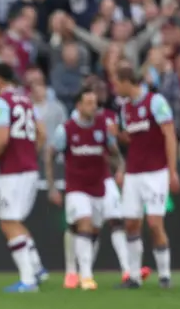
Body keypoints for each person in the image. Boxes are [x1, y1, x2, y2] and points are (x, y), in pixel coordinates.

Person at [60, 78, 151, 288]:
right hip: (78, 182)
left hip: (103, 179)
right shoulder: (71, 124)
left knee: (116, 220)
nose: (96, 101)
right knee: (80, 225)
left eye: (98, 95)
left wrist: (119, 167)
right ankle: (74, 272)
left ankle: (127, 270)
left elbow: (112, 150)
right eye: (91, 98)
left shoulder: (107, 119)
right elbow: (57, 151)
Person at [45, 88, 125, 290]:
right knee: (85, 223)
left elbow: (114, 152)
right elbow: (49, 155)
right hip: (77, 187)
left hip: (98, 187)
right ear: (79, 106)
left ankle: (76, 271)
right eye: (89, 103)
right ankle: (86, 276)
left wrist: (121, 169)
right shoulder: (66, 129)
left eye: (95, 103)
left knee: (90, 231)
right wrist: (52, 186)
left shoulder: (103, 127)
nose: (94, 107)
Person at [0, 63, 47, 293]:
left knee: (8, 222)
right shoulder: (26, 99)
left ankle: (28, 280)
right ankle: (37, 268)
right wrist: (30, 153)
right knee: (15, 220)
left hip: (13, 170)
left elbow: (1, 138)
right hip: (29, 167)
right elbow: (42, 133)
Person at [113, 66, 180, 289]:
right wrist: (118, 136)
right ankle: (134, 276)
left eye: (117, 83)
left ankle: (164, 275)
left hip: (155, 172)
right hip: (134, 173)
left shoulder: (155, 101)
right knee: (131, 224)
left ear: (126, 82)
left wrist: (172, 171)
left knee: (154, 223)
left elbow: (169, 135)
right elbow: (134, 140)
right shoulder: (125, 109)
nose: (115, 89)